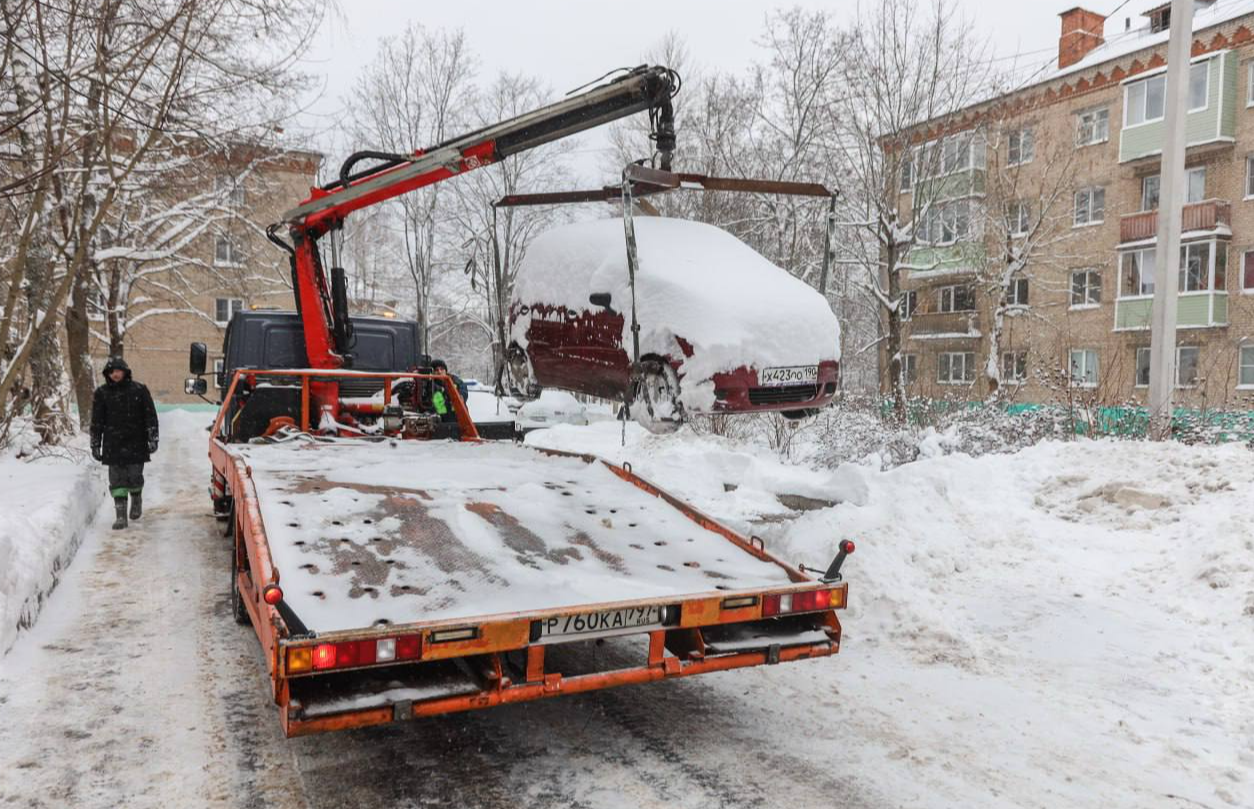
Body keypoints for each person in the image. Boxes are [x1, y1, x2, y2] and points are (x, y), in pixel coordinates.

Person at [90, 357, 159, 530]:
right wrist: (95, 443)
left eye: (118, 371)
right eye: (111, 372)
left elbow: (150, 416)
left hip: (136, 441)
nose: (115, 374)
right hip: (113, 444)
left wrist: (153, 437)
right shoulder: (102, 393)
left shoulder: (139, 390)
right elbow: (96, 421)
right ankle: (120, 516)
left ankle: (136, 499)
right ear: (108, 374)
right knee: (116, 479)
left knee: (134, 476)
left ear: (125, 372)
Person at [429, 358, 468, 423]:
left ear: (445, 370)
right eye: (436, 370)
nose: (439, 372)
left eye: (442, 369)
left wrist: (461, 396)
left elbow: (463, 389)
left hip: (459, 418)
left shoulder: (454, 380)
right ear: (432, 372)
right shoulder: (430, 384)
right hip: (441, 421)